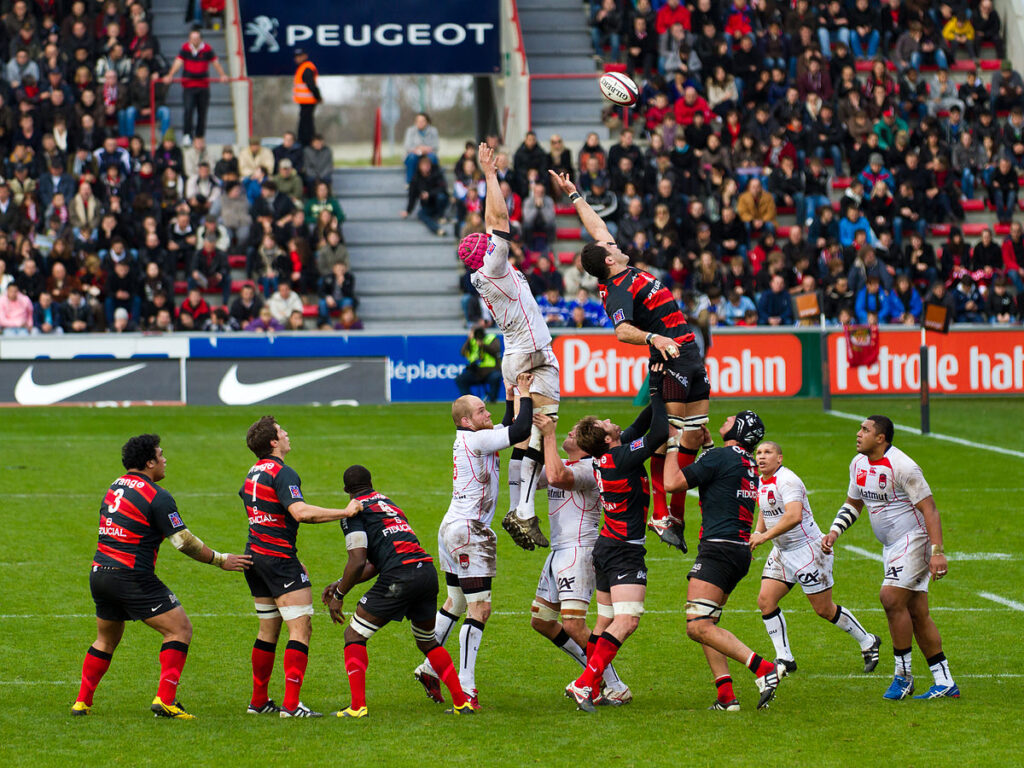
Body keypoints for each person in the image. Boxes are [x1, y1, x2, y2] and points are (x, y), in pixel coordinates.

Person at [550, 168, 711, 553]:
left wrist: (574, 196)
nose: (614, 243)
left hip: (688, 351)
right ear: (608, 262)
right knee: (665, 436)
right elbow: (621, 332)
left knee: (691, 433)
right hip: (668, 356)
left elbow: (597, 228)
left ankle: (670, 515)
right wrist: (655, 338)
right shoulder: (618, 289)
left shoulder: (617, 265)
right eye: (610, 247)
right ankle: (664, 513)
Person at [71, 434, 250, 718]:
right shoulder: (156, 495)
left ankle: (82, 702)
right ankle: (165, 700)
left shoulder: (114, 486)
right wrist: (220, 560)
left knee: (105, 640)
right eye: (161, 454)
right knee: (179, 629)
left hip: (100, 574)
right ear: (149, 462)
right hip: (131, 575)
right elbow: (184, 542)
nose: (165, 460)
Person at [412, 373, 535, 710]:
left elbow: (508, 424)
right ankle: (465, 687)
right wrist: (525, 393)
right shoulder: (475, 440)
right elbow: (521, 430)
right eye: (482, 411)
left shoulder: (474, 437)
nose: (488, 415)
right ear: (466, 420)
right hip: (469, 531)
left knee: (457, 601)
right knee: (481, 608)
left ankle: (429, 667)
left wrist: (511, 398)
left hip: (451, 528)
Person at [460, 143, 560, 551]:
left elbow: (493, 227)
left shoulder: (481, 275)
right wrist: (489, 174)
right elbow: (499, 219)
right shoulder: (495, 265)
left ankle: (521, 508)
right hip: (529, 354)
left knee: (526, 436)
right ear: (486, 254)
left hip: (518, 353)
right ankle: (521, 508)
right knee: (538, 428)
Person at [822, 416, 959, 700]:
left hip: (914, 540)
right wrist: (834, 532)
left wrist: (937, 551)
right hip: (892, 546)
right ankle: (944, 682)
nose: (858, 434)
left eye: (865, 430)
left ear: (881, 438)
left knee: (890, 598)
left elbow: (930, 509)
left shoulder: (904, 466)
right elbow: (854, 503)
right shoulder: (858, 464)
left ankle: (903, 676)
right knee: (917, 613)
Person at [321, 466, 474, 717]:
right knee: (427, 641)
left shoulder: (353, 511)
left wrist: (339, 596)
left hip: (400, 576)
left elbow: (358, 561)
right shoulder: (388, 503)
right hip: (425, 572)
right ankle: (461, 703)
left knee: (354, 635)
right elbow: (374, 564)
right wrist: (340, 582)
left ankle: (358, 707)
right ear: (371, 483)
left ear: (346, 490)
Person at [663, 411, 784, 711]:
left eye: (733, 418)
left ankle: (764, 669)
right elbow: (723, 479)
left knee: (697, 626)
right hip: (738, 551)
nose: (726, 417)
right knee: (709, 623)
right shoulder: (745, 461)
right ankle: (726, 697)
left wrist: (671, 446)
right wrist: (707, 450)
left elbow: (672, 483)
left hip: (718, 550)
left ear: (740, 428)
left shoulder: (721, 457)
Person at [563, 366, 667, 712]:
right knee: (628, 620)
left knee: (605, 622)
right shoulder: (622, 457)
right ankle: (585, 683)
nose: (612, 419)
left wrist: (660, 386)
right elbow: (660, 432)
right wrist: (662, 400)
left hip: (607, 546)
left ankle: (596, 686)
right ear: (607, 439)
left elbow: (641, 425)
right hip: (624, 551)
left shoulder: (609, 456)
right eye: (607, 423)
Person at [240, 416, 358, 718]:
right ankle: (291, 706)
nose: (287, 434)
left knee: (268, 629)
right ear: (273, 442)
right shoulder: (282, 473)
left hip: (255, 557)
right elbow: (301, 512)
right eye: (281, 432)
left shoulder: (253, 473)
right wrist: (344, 511)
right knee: (300, 628)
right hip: (278, 560)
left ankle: (259, 701)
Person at [751, 441, 880, 675]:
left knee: (824, 609)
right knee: (766, 600)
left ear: (779, 458)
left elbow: (794, 516)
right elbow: (765, 509)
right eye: (758, 452)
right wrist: (758, 532)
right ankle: (784, 658)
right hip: (782, 552)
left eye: (767, 452)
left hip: (808, 552)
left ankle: (868, 641)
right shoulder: (760, 480)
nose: (761, 457)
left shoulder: (788, 480)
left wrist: (764, 538)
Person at [531, 413, 632, 706]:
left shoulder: (590, 468)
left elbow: (556, 477)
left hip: (579, 550)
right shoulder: (570, 463)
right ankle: (594, 677)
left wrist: (548, 436)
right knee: (542, 621)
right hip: (558, 551)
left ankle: (612, 684)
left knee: (574, 624)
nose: (569, 434)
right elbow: (532, 477)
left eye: (574, 434)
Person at [163, 25, 227, 146]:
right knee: (188, 110)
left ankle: (199, 136)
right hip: (189, 85)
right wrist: (170, 74)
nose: (195, 41)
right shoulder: (185, 48)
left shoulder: (207, 49)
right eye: (192, 38)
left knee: (202, 112)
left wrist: (222, 74)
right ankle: (187, 135)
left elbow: (215, 62)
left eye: (197, 38)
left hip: (203, 85)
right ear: (189, 39)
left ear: (201, 39)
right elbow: (178, 62)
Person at [455, 323, 503, 402]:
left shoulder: (491, 338)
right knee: (460, 379)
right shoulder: (471, 341)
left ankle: (492, 400)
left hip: (490, 370)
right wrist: (469, 340)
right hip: (476, 371)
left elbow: (496, 350)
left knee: (496, 377)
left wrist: (483, 345)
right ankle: (471, 401)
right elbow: (463, 352)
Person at [292, 49, 321, 147]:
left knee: (306, 124)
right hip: (304, 102)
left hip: (308, 101)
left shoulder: (306, 68)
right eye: (296, 56)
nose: (298, 58)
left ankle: (306, 142)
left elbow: (311, 85)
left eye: (300, 56)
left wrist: (318, 97)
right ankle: (304, 141)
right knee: (304, 123)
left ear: (305, 56)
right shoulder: (302, 68)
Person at [402, 113, 440, 184]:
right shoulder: (410, 131)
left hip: (428, 154)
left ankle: (433, 182)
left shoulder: (433, 131)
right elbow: (407, 146)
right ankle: (410, 183)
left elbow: (436, 146)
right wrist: (418, 149)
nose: (420, 123)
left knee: (433, 158)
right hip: (414, 154)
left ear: (427, 122)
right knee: (411, 158)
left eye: (422, 121)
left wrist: (424, 149)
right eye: (418, 121)